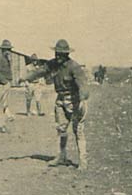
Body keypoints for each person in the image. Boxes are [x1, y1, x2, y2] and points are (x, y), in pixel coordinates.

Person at [23, 39, 89, 170]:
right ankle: (62, 156)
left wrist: (82, 99)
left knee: (78, 131)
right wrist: (26, 77)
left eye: (61, 54)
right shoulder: (52, 64)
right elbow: (41, 71)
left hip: (75, 101)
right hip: (60, 100)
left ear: (67, 54)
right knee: (61, 129)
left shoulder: (74, 67)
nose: (58, 56)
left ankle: (83, 160)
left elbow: (83, 85)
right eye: (57, 53)